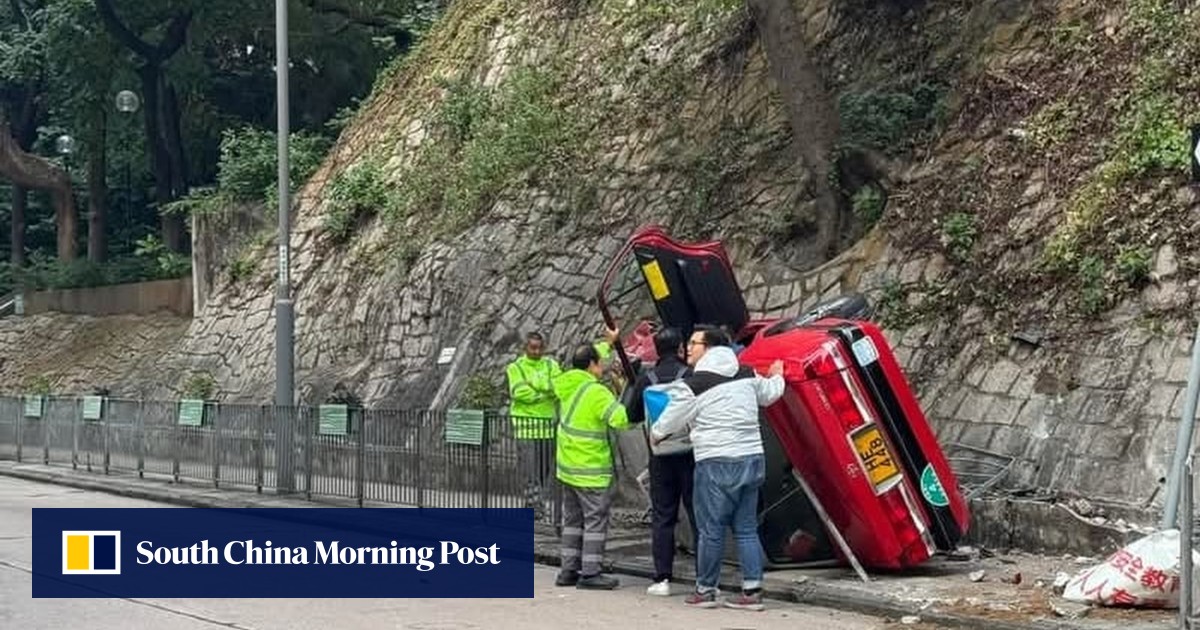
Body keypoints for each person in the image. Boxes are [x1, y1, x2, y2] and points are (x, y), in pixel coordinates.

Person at [649, 325, 785, 611]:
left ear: (709, 347)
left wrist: (657, 433)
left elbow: (668, 421)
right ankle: (752, 591)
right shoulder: (746, 374)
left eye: (694, 343)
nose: (688, 348)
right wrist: (779, 374)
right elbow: (771, 394)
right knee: (746, 528)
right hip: (751, 457)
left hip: (716, 461)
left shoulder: (694, 385)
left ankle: (706, 590)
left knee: (712, 529)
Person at [553, 327, 639, 590]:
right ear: (592, 366)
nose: (602, 366)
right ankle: (590, 573)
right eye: (599, 363)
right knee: (595, 522)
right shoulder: (597, 393)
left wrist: (608, 344)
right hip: (590, 470)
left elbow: (586, 358)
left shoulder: (565, 384)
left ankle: (568, 571)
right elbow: (622, 420)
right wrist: (634, 398)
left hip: (567, 469)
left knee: (572, 522)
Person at [620, 326, 696, 596]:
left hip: (659, 456)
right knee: (697, 513)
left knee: (663, 516)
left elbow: (632, 415)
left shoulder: (647, 378)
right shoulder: (690, 375)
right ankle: (704, 576)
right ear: (680, 348)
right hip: (690, 454)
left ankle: (662, 578)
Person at [505, 332, 561, 517]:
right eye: (532, 348)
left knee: (544, 471)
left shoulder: (551, 364)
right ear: (525, 348)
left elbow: (558, 387)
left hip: (547, 428)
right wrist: (545, 392)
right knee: (529, 472)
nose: (536, 352)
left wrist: (536, 387)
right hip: (526, 428)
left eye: (539, 348)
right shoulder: (516, 367)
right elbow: (520, 392)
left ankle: (535, 502)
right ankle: (535, 506)